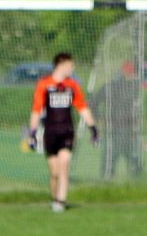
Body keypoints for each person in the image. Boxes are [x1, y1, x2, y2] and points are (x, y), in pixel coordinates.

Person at [28, 53, 98, 213]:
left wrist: (93, 127)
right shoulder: (44, 84)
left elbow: (82, 107)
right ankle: (55, 198)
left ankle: (60, 202)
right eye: (70, 65)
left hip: (67, 131)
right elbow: (36, 110)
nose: (72, 68)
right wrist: (32, 132)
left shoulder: (72, 86)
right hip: (50, 133)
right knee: (54, 173)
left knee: (64, 166)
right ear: (61, 64)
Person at [94, 61, 141, 181]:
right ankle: (137, 180)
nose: (134, 76)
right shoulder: (133, 87)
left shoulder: (108, 86)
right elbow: (93, 103)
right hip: (127, 126)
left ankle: (106, 178)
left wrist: (100, 118)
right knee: (132, 157)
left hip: (113, 125)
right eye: (133, 74)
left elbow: (92, 103)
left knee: (110, 156)